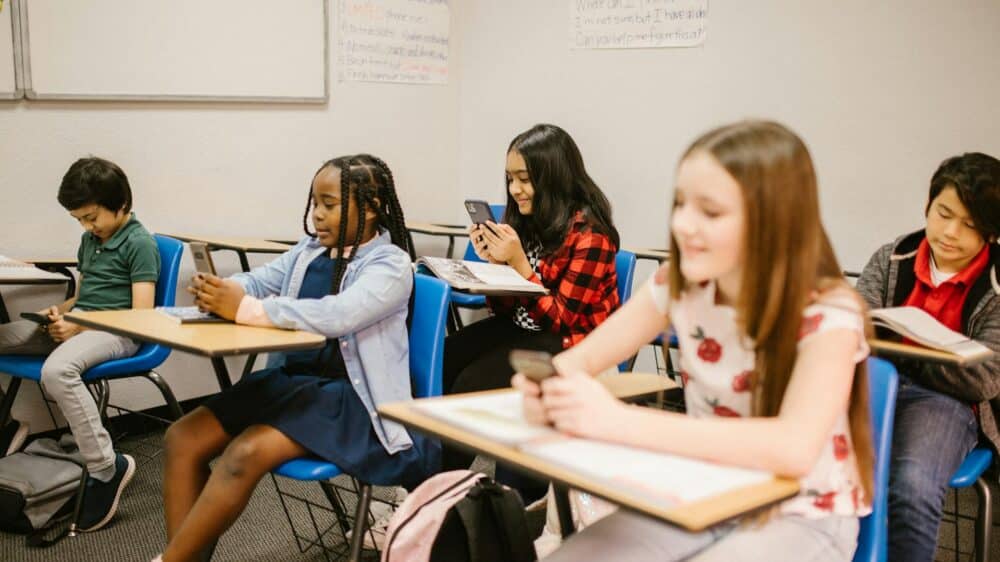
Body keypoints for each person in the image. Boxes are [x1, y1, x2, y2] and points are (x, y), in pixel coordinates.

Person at [517, 121, 873, 561]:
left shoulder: (829, 312)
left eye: (711, 212)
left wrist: (618, 423)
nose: (683, 224)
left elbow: (793, 448)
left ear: (774, 219)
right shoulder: (679, 283)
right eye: (681, 204)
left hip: (803, 512)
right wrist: (547, 388)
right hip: (704, 492)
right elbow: (583, 358)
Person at [156, 155, 436, 562]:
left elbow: (339, 315)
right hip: (295, 385)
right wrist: (222, 289)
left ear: (372, 207)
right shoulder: (309, 251)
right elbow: (258, 281)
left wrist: (247, 309)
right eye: (314, 204)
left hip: (353, 402)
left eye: (330, 204)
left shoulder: (390, 265)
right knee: (182, 437)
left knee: (244, 453)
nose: (317, 216)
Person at [441, 123, 621, 501]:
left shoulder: (591, 236)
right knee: (446, 357)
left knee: (468, 386)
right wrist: (495, 265)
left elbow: (561, 319)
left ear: (552, 178)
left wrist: (520, 266)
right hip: (527, 329)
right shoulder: (526, 221)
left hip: (573, 343)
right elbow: (508, 308)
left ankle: (442, 499)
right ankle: (434, 487)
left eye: (525, 179)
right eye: (510, 178)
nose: (514, 190)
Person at [0, 156, 159, 531]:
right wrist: (59, 311)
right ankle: (6, 427)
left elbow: (141, 315)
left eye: (92, 218)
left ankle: (106, 466)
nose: (87, 227)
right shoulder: (90, 241)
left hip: (121, 333)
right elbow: (83, 298)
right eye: (79, 221)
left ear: (121, 205)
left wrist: (80, 327)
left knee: (58, 370)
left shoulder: (140, 243)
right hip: (82, 325)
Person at [856, 152, 1000, 562]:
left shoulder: (996, 285)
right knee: (817, 461)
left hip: (948, 402)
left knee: (913, 486)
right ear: (928, 206)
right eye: (943, 213)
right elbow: (854, 329)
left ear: (990, 233)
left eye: (971, 225)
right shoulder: (893, 257)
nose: (951, 232)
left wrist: (904, 359)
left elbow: (984, 378)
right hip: (874, 382)